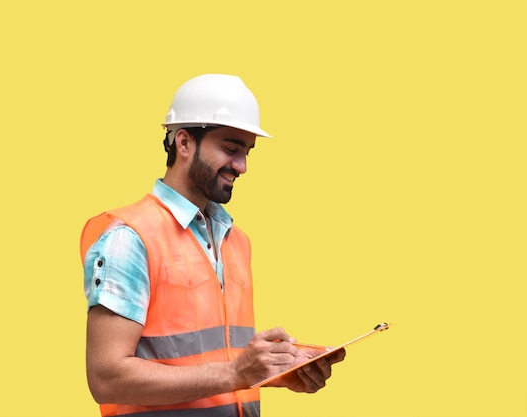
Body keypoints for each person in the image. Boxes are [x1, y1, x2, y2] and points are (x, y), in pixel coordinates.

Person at [80, 74, 345, 417]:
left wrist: (274, 372)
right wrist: (236, 373)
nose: (243, 166)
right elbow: (106, 378)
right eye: (231, 149)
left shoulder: (237, 242)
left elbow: (213, 368)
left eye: (247, 152)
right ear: (185, 143)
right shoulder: (130, 238)